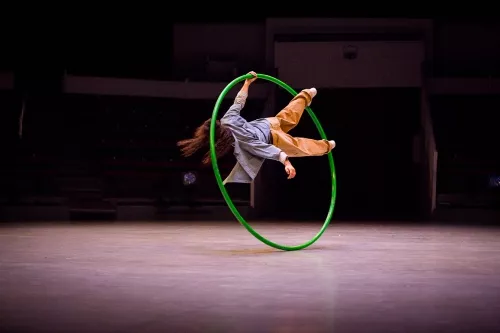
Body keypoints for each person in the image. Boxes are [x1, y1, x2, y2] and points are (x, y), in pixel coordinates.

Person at [177, 71, 336, 185]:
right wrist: (247, 83)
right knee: (288, 115)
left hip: (273, 138)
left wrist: (286, 162)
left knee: (298, 146)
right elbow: (239, 102)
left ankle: (327, 146)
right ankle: (307, 94)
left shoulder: (241, 140)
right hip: (267, 123)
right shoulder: (227, 118)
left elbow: (266, 148)